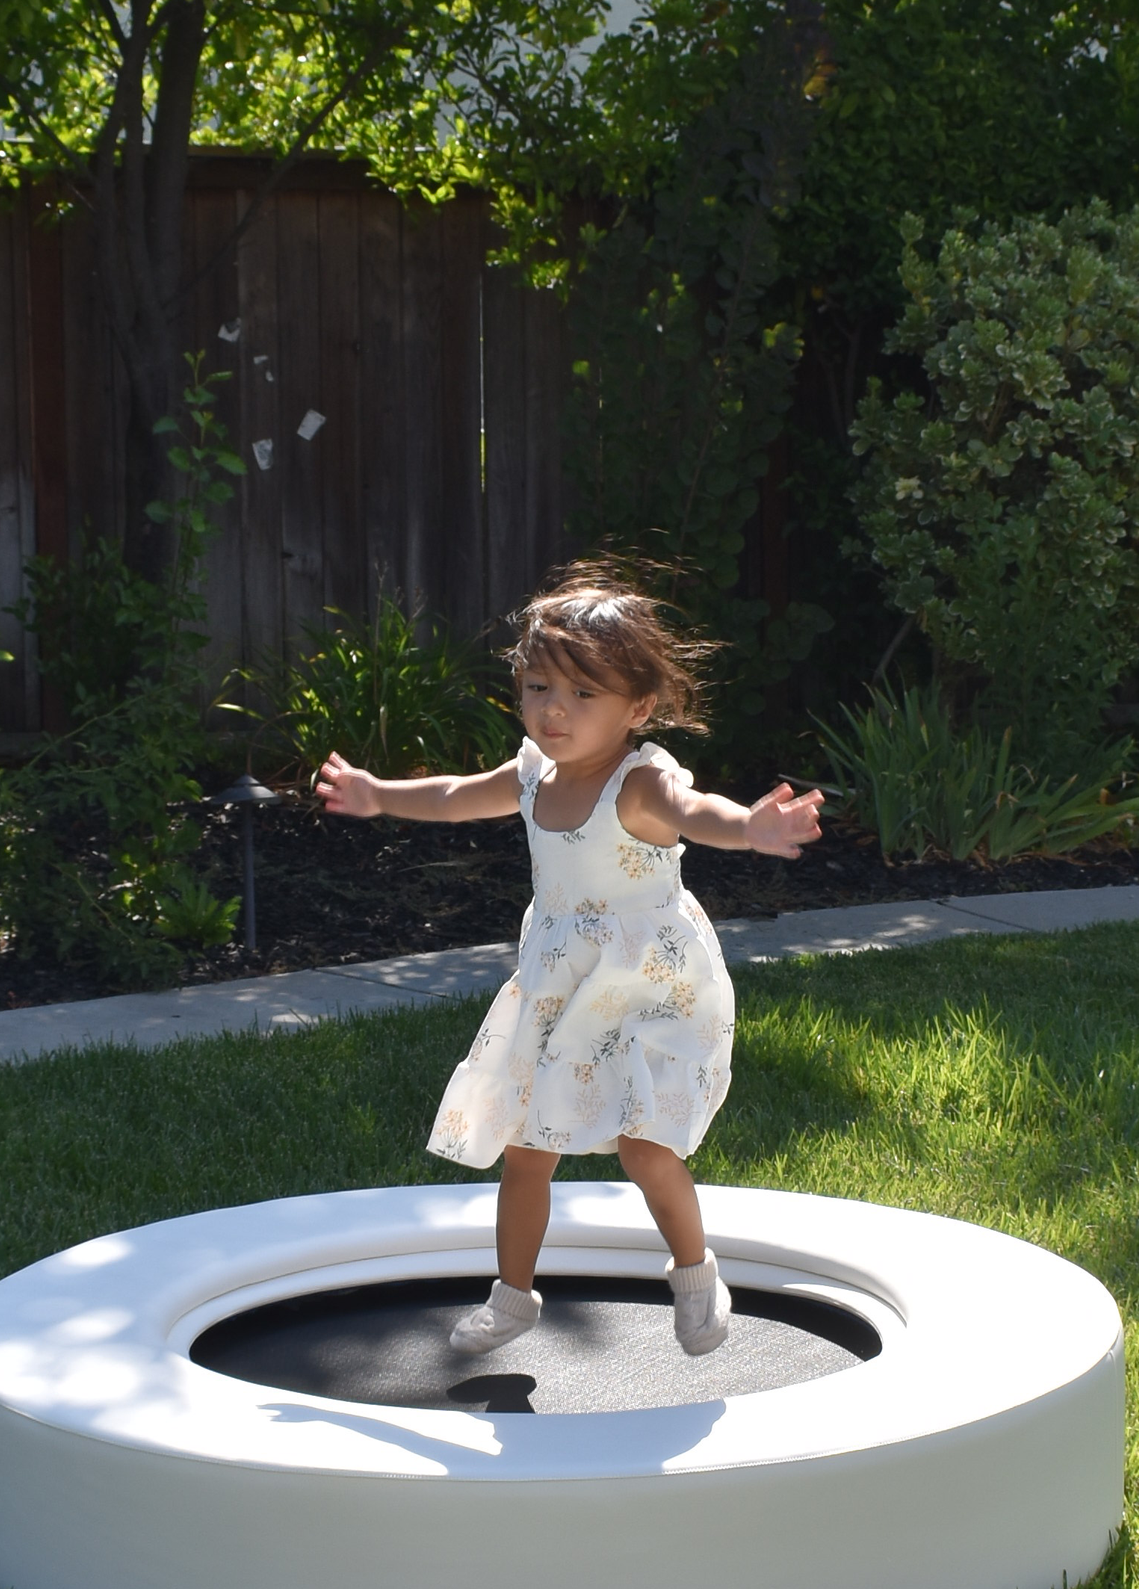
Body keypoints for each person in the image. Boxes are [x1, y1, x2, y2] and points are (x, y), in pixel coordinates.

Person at [314, 572, 824, 1359]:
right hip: (562, 984)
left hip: (652, 986)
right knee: (526, 1148)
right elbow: (455, 795)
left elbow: (697, 811)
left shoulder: (640, 782)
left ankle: (695, 1274)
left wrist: (750, 827)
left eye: (584, 693)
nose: (554, 708)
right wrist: (378, 794)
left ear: (639, 709)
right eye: (538, 685)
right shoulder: (530, 774)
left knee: (645, 1148)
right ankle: (512, 1298)